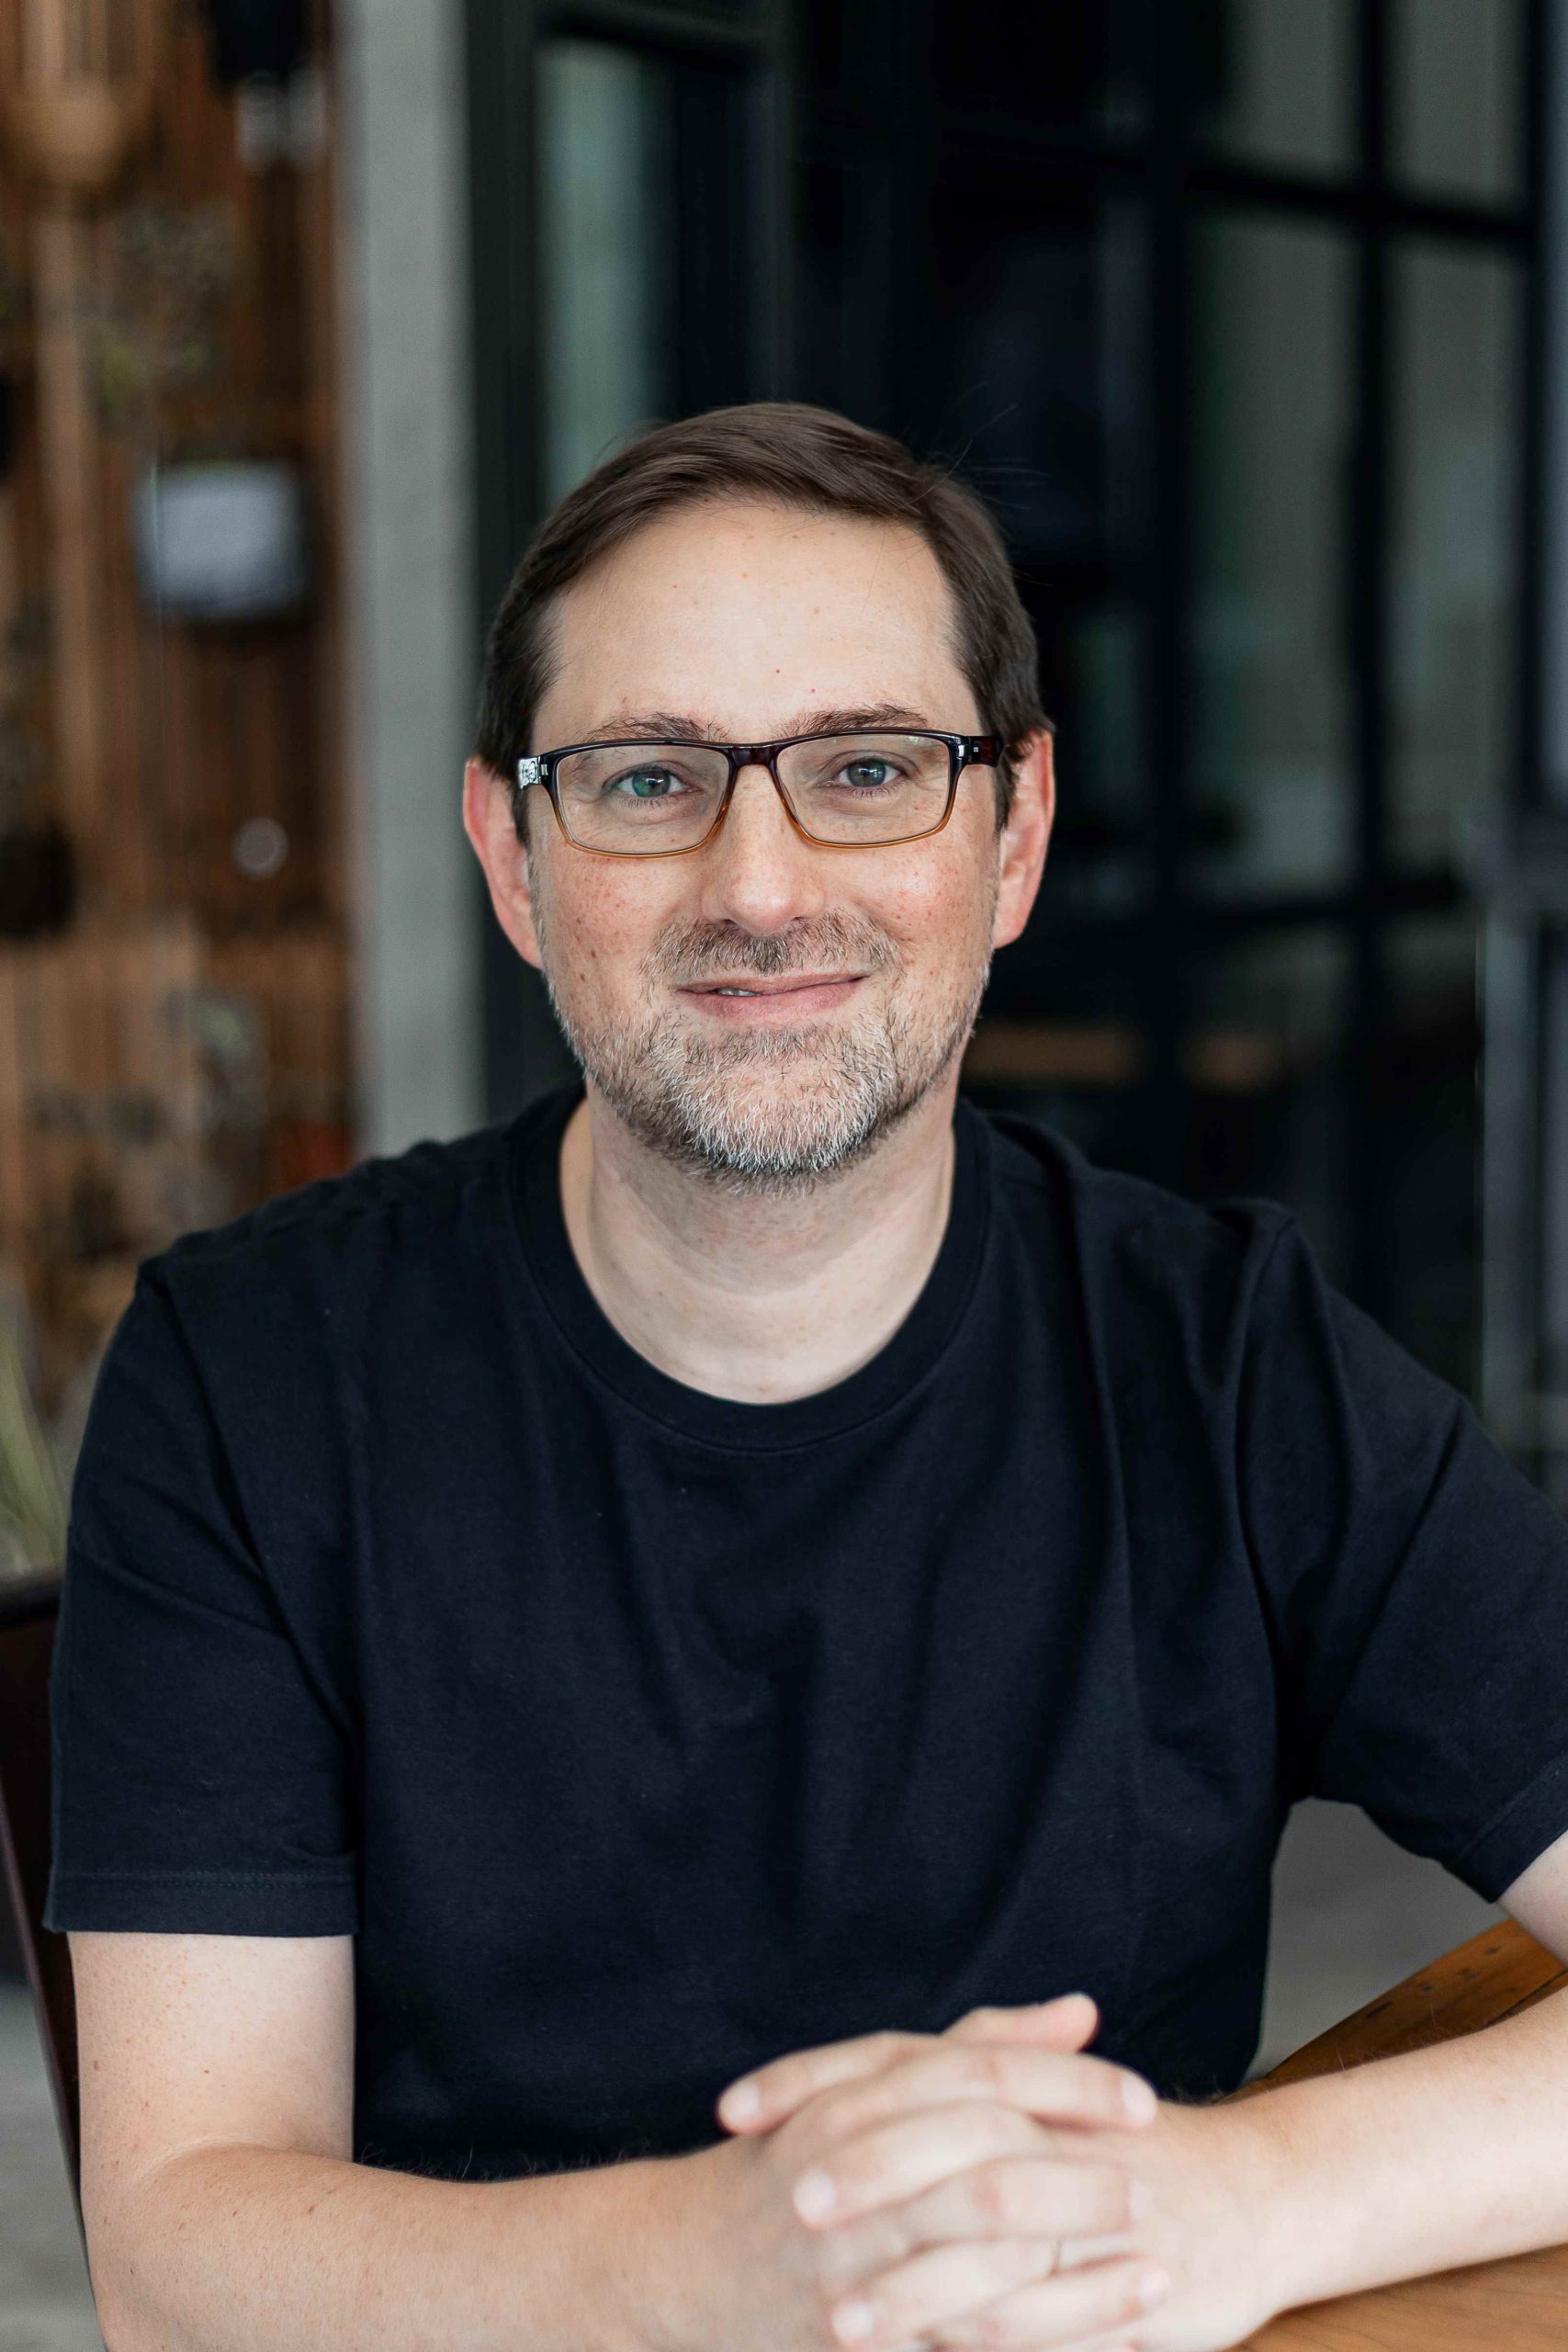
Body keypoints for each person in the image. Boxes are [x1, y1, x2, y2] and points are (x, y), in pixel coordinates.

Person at [45, 401, 1568, 2352]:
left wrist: (1230, 2197)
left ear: (1013, 837)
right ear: (513, 856)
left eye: (866, 769)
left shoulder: (1226, 1364)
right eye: (647, 778)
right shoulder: (248, 1380)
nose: (760, 887)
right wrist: (723, 2265)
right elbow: (178, 2262)